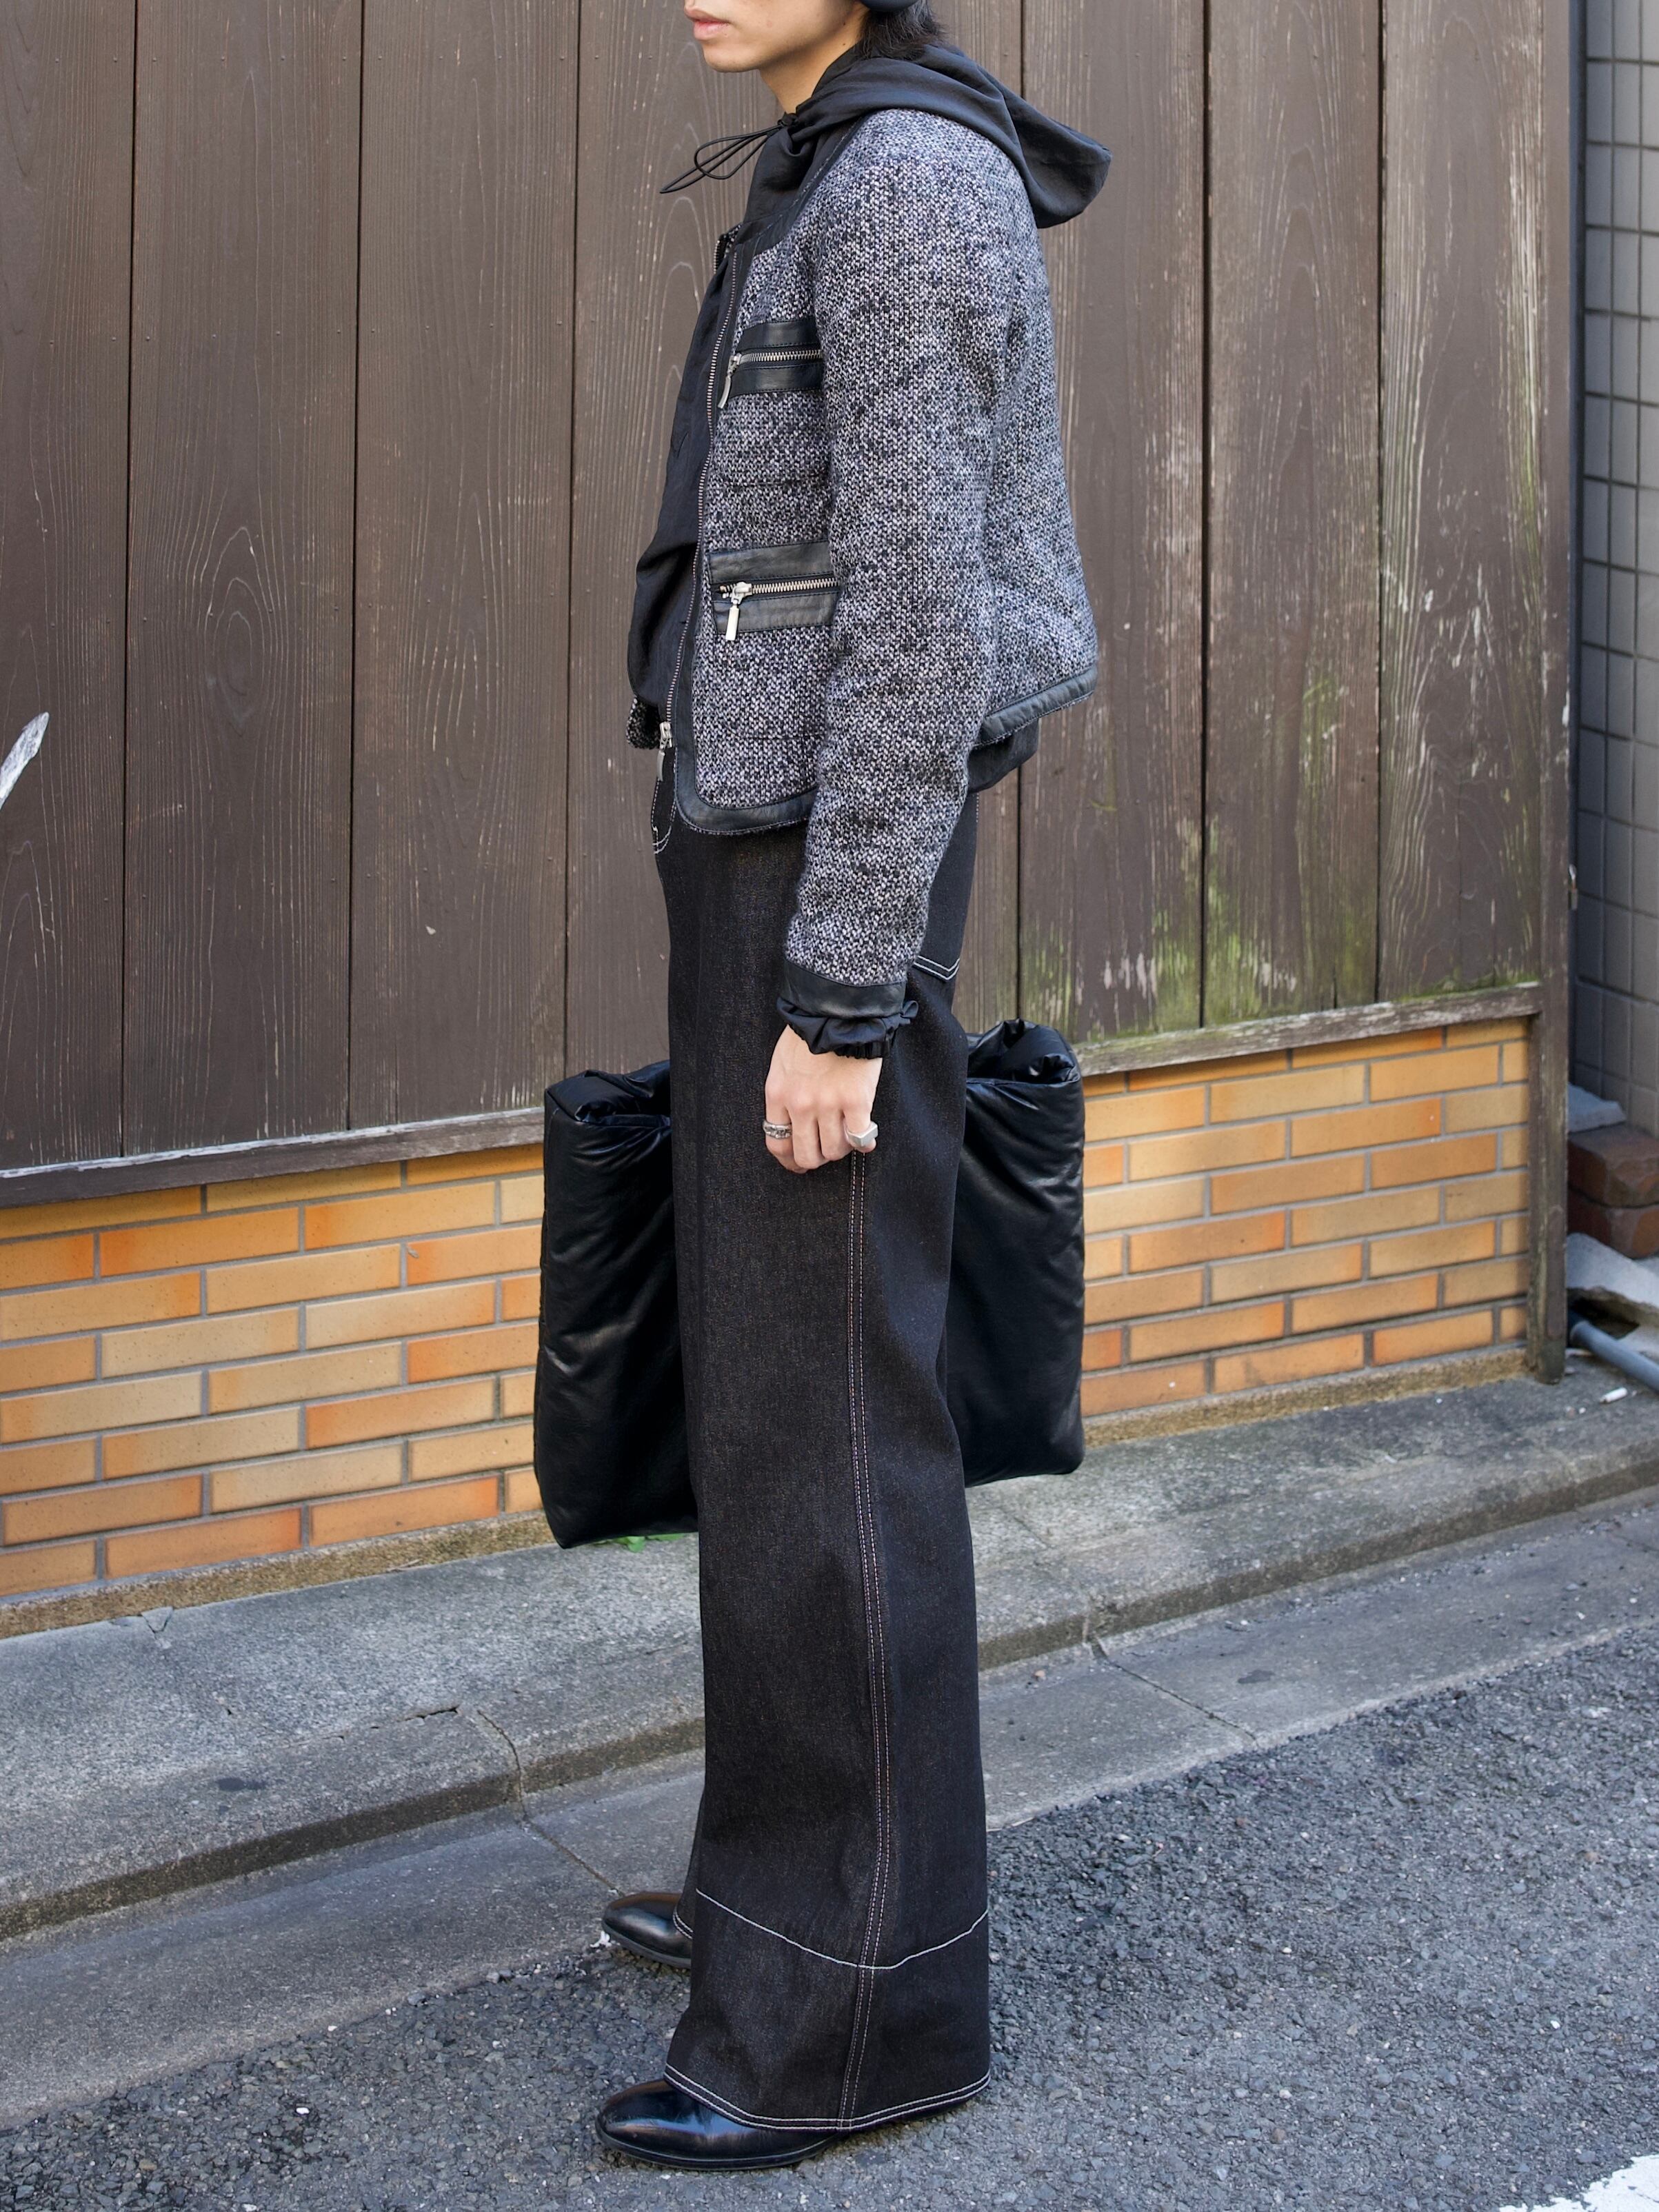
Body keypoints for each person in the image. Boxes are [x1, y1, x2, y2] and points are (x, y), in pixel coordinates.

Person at [594, 0, 1107, 2174]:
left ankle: (850, 2018)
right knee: (770, 1420)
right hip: (771, 851)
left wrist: (842, 990)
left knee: (830, 1441)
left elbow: (921, 625)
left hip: (828, 880)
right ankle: (787, 1898)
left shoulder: (905, 187)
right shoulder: (834, 157)